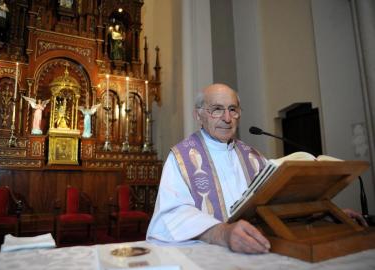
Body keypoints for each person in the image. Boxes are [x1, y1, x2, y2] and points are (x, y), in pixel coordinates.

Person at [146, 83, 367, 254]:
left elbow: (276, 204)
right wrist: (222, 233)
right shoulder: (182, 158)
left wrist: (322, 214)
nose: (226, 118)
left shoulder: (253, 157)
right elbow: (171, 215)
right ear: (199, 115)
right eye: (216, 110)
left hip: (256, 251)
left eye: (233, 109)